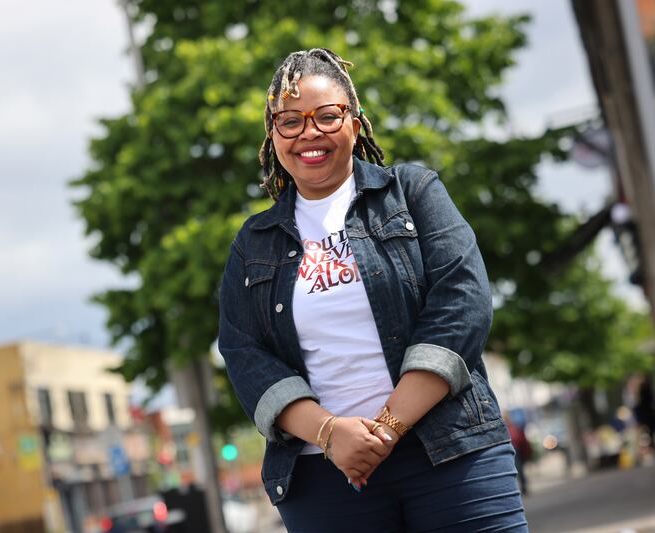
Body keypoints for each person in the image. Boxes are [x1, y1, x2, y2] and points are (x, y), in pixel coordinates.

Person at [218, 48, 528, 532]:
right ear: (272, 135)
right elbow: (243, 352)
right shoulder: (253, 243)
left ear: (355, 120)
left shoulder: (413, 192)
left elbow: (462, 303)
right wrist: (330, 434)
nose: (309, 134)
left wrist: (385, 429)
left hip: (450, 452)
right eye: (290, 122)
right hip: (324, 478)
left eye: (327, 116)